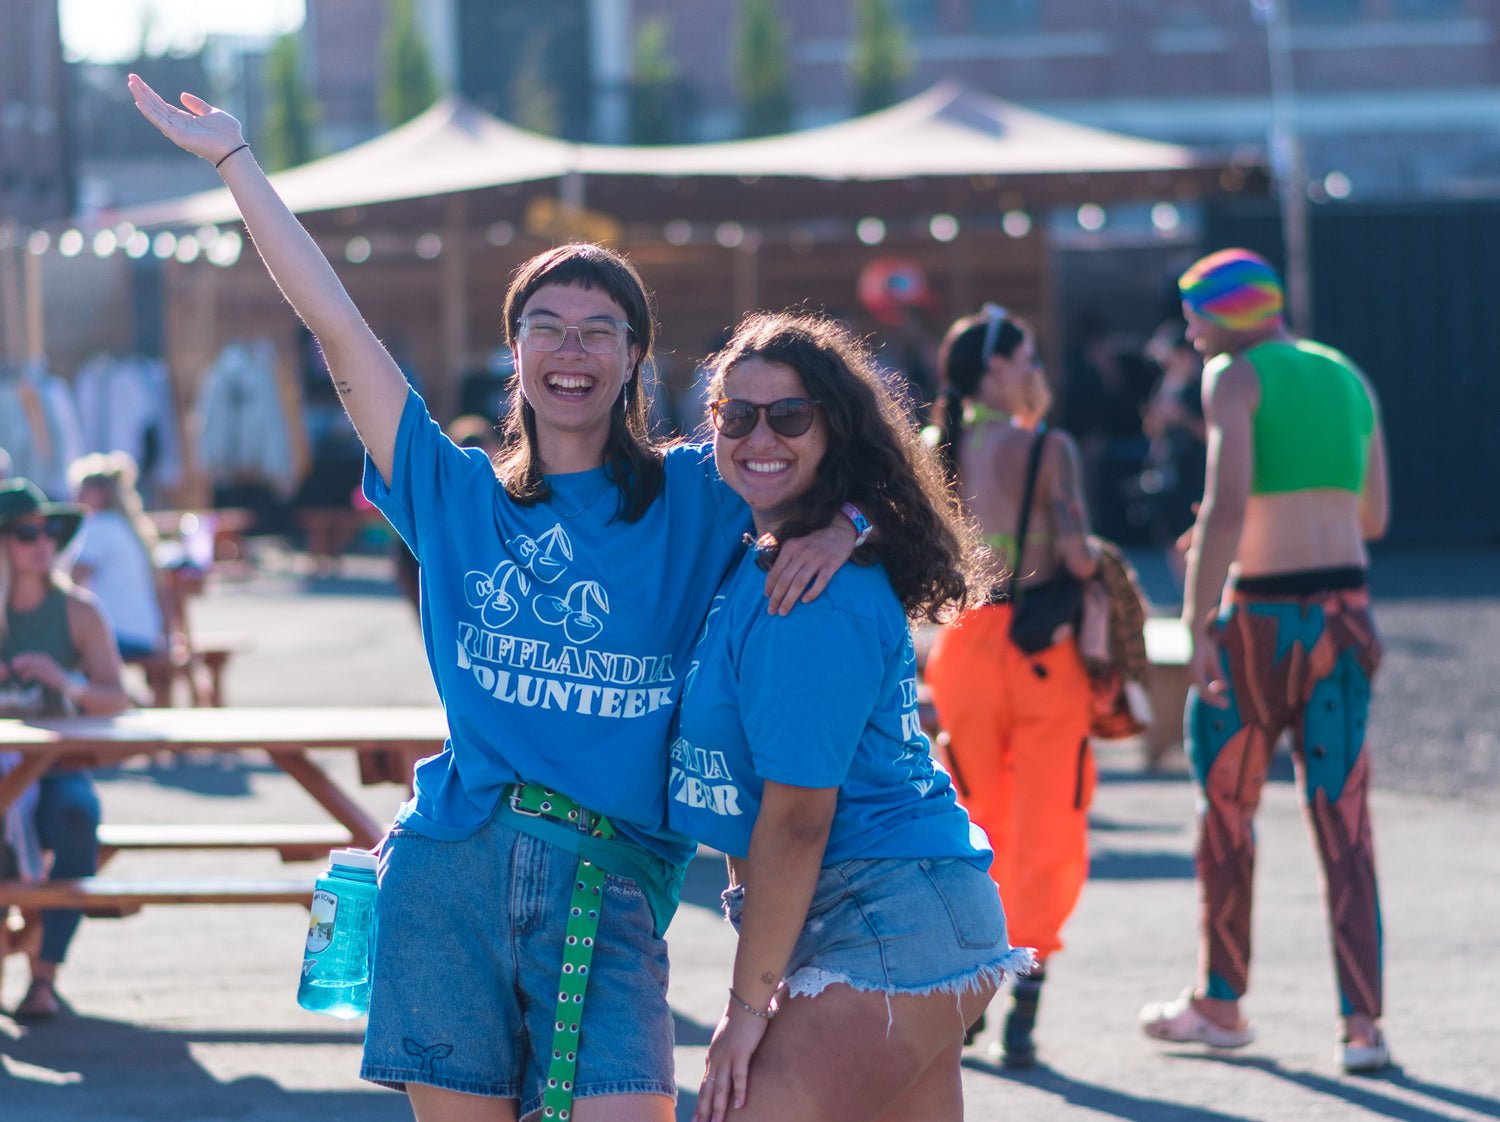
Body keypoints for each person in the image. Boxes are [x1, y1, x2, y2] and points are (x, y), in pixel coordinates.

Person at [129, 76, 859, 1122]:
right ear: (514, 355)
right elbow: (340, 335)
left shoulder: (700, 493)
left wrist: (848, 526)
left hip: (610, 887)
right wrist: (239, 164)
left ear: (633, 359)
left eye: (599, 330)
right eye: (547, 328)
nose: (572, 350)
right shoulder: (454, 492)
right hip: (451, 880)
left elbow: (851, 458)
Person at [671, 311, 1032, 1122]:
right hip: (899, 915)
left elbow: (799, 820)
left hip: (885, 921)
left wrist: (744, 1011)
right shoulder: (758, 540)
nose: (761, 435)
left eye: (791, 415)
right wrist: (852, 518)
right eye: (737, 414)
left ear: (835, 431)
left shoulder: (806, 597)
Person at [1138, 249, 1392, 1075]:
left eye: (1195, 311)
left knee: (1226, 813)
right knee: (1344, 820)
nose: (1188, 328)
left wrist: (1197, 618)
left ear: (1232, 313)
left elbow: (1228, 500)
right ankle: (1363, 1029)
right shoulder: (1346, 374)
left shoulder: (1233, 376)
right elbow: (1375, 515)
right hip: (1346, 616)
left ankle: (1220, 1004)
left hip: (1260, 625)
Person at [921, 305, 1099, 1068]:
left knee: (971, 820)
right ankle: (1025, 997)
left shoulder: (936, 449)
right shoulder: (1046, 446)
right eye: (1026, 359)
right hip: (1038, 651)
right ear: (996, 371)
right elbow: (1081, 557)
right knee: (1045, 823)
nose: (1035, 373)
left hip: (962, 648)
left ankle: (968, 993)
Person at [0, 478, 132, 1020]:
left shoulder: (79, 611)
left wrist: (68, 684)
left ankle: (43, 976)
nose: (44, 542)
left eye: (51, 531)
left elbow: (117, 699)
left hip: (55, 767)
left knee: (78, 818)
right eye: (28, 532)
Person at [67, 451, 178, 662]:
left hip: (119, 634)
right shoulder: (129, 526)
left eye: (81, 490)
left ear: (100, 493)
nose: (76, 496)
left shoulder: (101, 525)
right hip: (146, 634)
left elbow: (71, 580)